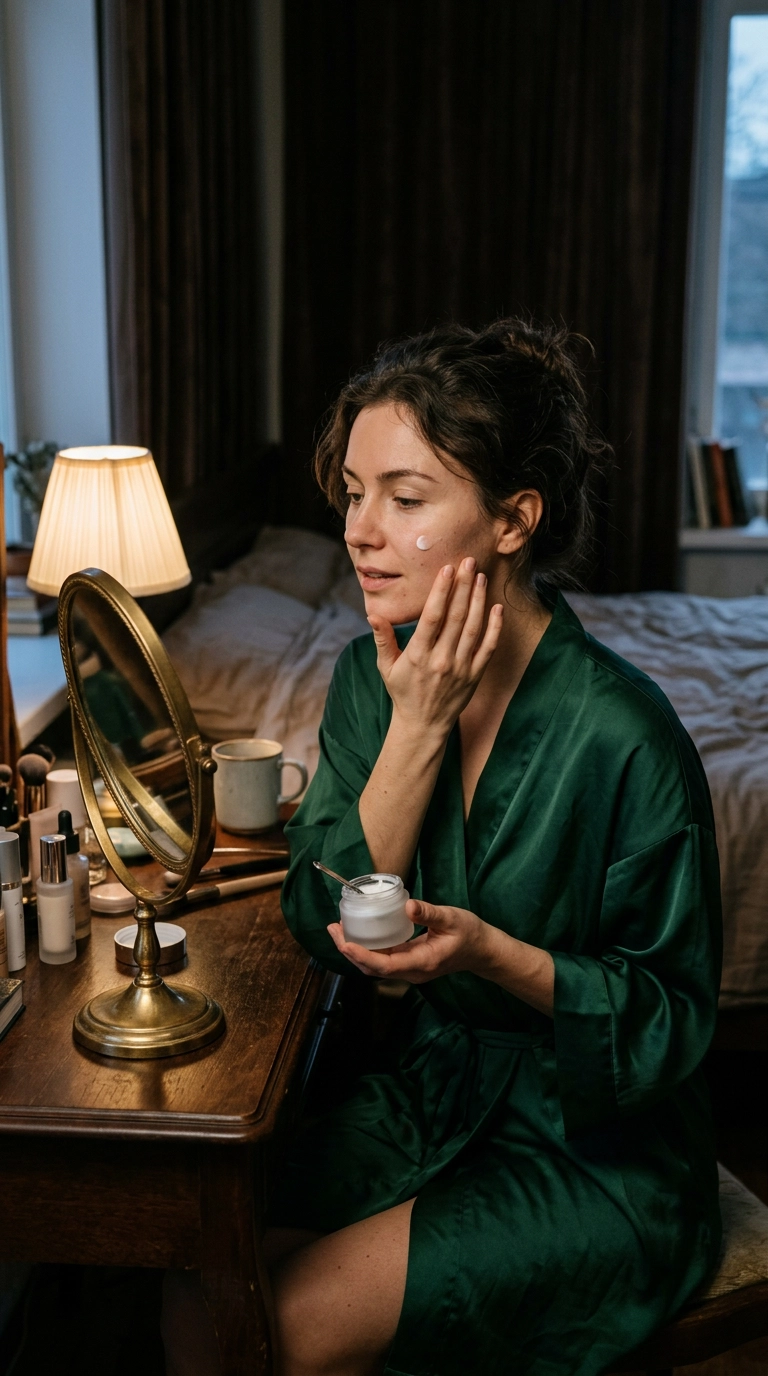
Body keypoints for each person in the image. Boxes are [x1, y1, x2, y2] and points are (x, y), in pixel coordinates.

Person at [164, 317, 723, 1376]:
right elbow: (322, 925)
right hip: (432, 1091)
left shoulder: (625, 735)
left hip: (594, 1142)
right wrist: (417, 726)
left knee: (284, 1321)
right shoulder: (370, 683)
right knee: (197, 1275)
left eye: (406, 498)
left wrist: (488, 953)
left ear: (515, 520)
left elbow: (671, 1018)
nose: (360, 532)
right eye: (354, 492)